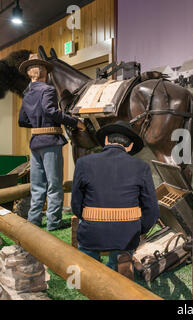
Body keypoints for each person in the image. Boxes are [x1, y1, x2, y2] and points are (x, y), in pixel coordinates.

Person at [71, 121, 160, 279]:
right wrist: (138, 229)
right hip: (126, 234)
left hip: (92, 232)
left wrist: (89, 220)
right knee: (121, 257)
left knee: (87, 266)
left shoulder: (83, 163)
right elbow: (152, 210)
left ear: (106, 141)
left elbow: (76, 204)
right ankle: (118, 265)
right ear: (130, 146)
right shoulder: (141, 167)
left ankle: (90, 275)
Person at [18, 53, 86, 231]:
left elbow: (22, 121)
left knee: (38, 185)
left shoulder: (27, 95)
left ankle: (34, 222)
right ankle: (53, 223)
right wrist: (74, 121)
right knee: (54, 185)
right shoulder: (48, 90)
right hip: (50, 141)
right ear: (43, 73)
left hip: (35, 143)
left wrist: (37, 122)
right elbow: (51, 111)